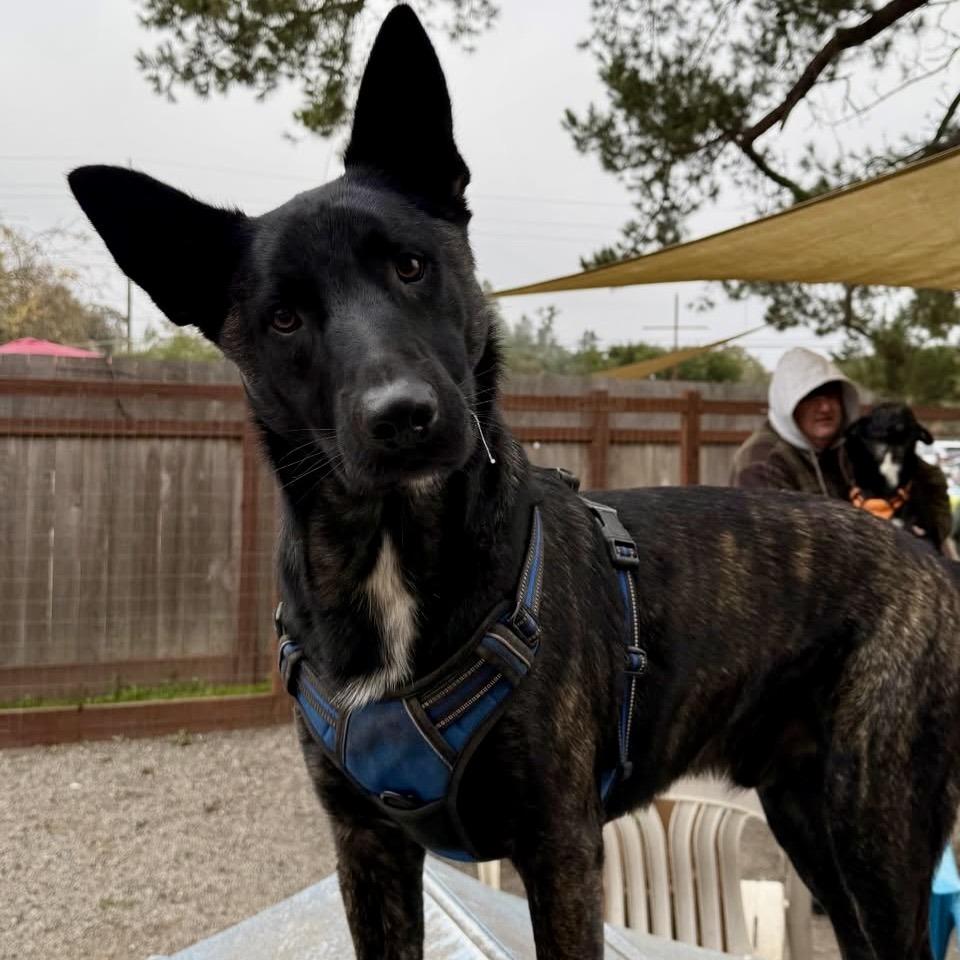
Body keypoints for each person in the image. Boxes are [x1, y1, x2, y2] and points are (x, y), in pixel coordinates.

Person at [730, 347, 859, 497]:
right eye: (812, 398)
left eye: (832, 396)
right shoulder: (762, 462)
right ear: (788, 404)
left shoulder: (845, 453)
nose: (825, 408)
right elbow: (773, 520)